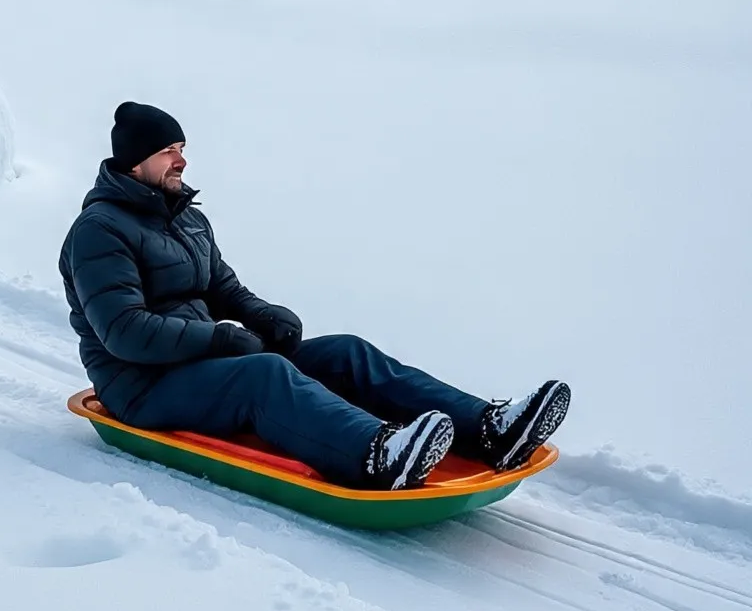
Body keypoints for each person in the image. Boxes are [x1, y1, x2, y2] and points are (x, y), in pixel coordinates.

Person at [58, 103, 571, 491]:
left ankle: (489, 429)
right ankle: (375, 454)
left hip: (200, 363)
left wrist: (264, 317)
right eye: (169, 150)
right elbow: (124, 332)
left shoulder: (186, 218)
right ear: (136, 160)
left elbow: (222, 288)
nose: (182, 161)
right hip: (142, 386)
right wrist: (220, 340)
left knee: (344, 351)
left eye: (182, 148)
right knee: (266, 374)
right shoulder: (98, 232)